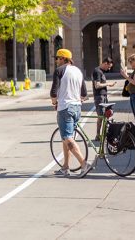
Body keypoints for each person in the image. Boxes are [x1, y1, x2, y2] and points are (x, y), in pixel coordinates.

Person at [50, 48, 91, 178]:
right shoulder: (78, 71)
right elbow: (84, 94)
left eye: (57, 58)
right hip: (77, 107)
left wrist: (54, 102)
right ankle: (65, 167)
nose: (56, 61)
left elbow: (53, 92)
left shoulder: (59, 71)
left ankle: (84, 164)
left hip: (65, 108)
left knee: (67, 138)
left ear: (63, 59)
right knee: (66, 137)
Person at [92, 57, 116, 140]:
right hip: (99, 96)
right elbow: (97, 85)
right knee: (101, 116)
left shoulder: (101, 71)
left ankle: (104, 133)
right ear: (105, 63)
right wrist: (108, 84)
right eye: (108, 67)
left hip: (103, 96)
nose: (109, 69)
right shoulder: (97, 71)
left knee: (108, 113)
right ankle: (98, 135)